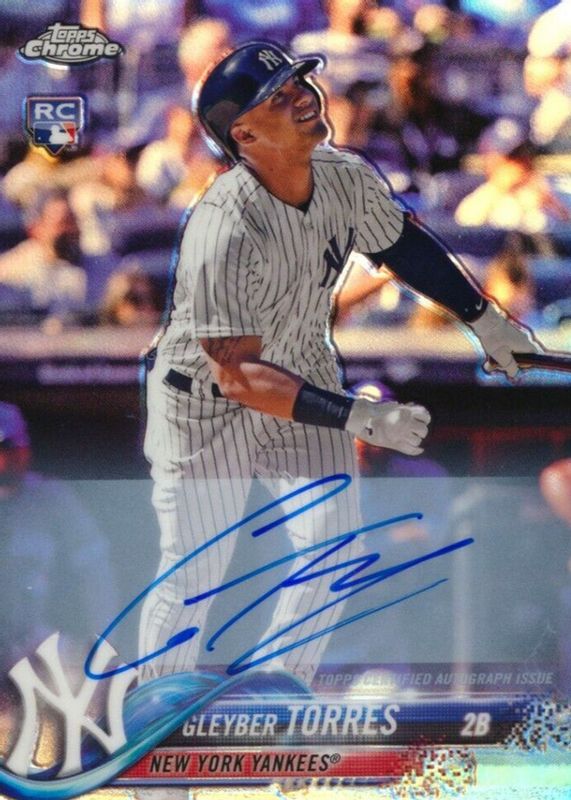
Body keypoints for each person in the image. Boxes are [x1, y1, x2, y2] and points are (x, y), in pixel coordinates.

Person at [142, 41, 541, 684]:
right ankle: (155, 714)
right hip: (205, 402)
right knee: (197, 565)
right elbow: (236, 375)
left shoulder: (344, 176)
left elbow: (405, 248)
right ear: (244, 133)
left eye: (300, 84)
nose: (305, 97)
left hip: (297, 372)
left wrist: (486, 321)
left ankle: (273, 692)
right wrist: (359, 417)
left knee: (334, 544)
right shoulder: (222, 225)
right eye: (279, 97)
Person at [0, 402, 118, 678]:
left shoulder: (51, 498)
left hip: (32, 639)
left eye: (12, 449)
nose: (7, 460)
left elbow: (97, 574)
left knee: (74, 664)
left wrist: (105, 644)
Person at [0, 188, 85, 316]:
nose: (70, 230)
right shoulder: (10, 272)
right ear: (36, 229)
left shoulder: (99, 263)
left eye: (74, 222)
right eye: (62, 223)